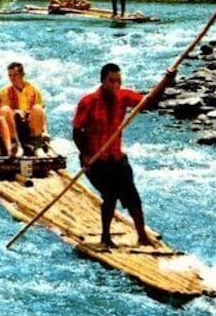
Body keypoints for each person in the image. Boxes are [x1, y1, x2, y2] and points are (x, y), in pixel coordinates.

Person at [72, 63, 175, 248]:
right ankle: (105, 237)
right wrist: (85, 153)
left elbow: (148, 103)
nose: (115, 85)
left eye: (118, 81)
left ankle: (142, 236)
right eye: (111, 81)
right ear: (103, 81)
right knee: (110, 194)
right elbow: (77, 131)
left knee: (132, 195)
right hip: (94, 160)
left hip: (116, 156)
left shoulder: (123, 96)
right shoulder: (88, 102)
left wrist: (166, 82)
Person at [0, 62, 48, 157]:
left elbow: (42, 114)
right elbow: (1, 115)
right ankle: (16, 145)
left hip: (30, 126)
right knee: (4, 109)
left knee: (38, 108)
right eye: (10, 75)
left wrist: (45, 131)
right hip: (13, 126)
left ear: (22, 75)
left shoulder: (34, 91)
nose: (12, 78)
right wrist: (15, 112)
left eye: (15, 75)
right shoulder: (3, 92)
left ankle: (38, 146)